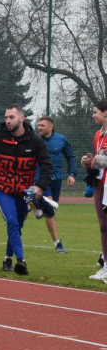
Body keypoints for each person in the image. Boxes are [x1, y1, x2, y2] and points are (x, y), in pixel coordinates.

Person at [0, 104, 53, 276]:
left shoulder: (35, 140)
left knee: (17, 225)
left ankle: (7, 258)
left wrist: (40, 187)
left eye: (11, 117)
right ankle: (21, 261)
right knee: (11, 221)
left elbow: (47, 165)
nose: (7, 121)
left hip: (24, 192)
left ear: (22, 118)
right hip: (3, 189)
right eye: (6, 117)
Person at [36, 116, 76, 253]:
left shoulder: (61, 139)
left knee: (51, 211)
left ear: (51, 127)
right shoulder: (34, 140)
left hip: (56, 179)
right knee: (50, 206)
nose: (39, 127)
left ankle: (37, 206)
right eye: (38, 125)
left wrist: (72, 174)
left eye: (42, 125)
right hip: (40, 179)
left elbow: (70, 156)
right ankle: (58, 243)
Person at [81, 100, 107, 281]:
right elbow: (99, 158)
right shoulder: (98, 134)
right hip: (100, 182)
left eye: (96, 112)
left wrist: (98, 159)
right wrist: (89, 159)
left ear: (106, 113)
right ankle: (105, 264)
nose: (93, 115)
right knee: (104, 226)